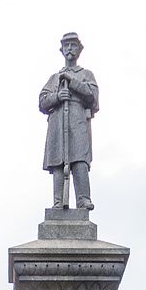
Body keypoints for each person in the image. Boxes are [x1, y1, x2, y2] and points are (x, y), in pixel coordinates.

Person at [39, 32, 99, 210]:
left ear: (79, 49)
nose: (70, 49)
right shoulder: (54, 78)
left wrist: (72, 83)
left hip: (78, 120)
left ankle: (83, 199)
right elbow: (42, 101)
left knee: (79, 160)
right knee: (58, 161)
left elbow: (93, 97)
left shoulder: (86, 74)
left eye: (73, 45)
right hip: (58, 123)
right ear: (62, 50)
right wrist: (57, 96)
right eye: (66, 46)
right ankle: (58, 201)